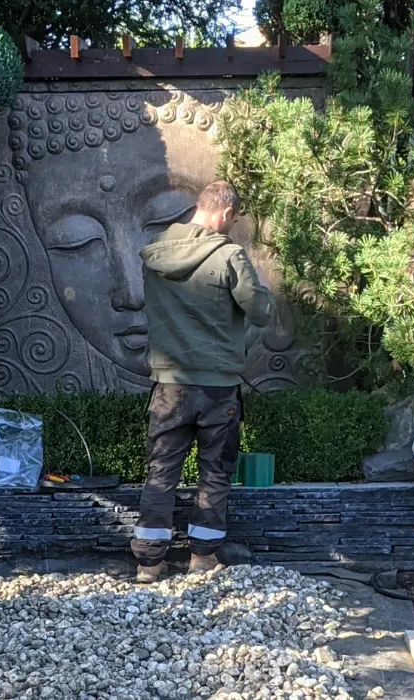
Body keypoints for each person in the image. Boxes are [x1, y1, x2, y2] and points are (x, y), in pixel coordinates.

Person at [132, 180, 275, 583]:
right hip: (216, 386)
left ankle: (149, 563)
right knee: (214, 471)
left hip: (169, 385)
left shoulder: (158, 252)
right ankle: (202, 558)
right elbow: (261, 312)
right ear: (227, 214)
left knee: (161, 471)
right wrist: (261, 285)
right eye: (235, 219)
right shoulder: (230, 255)